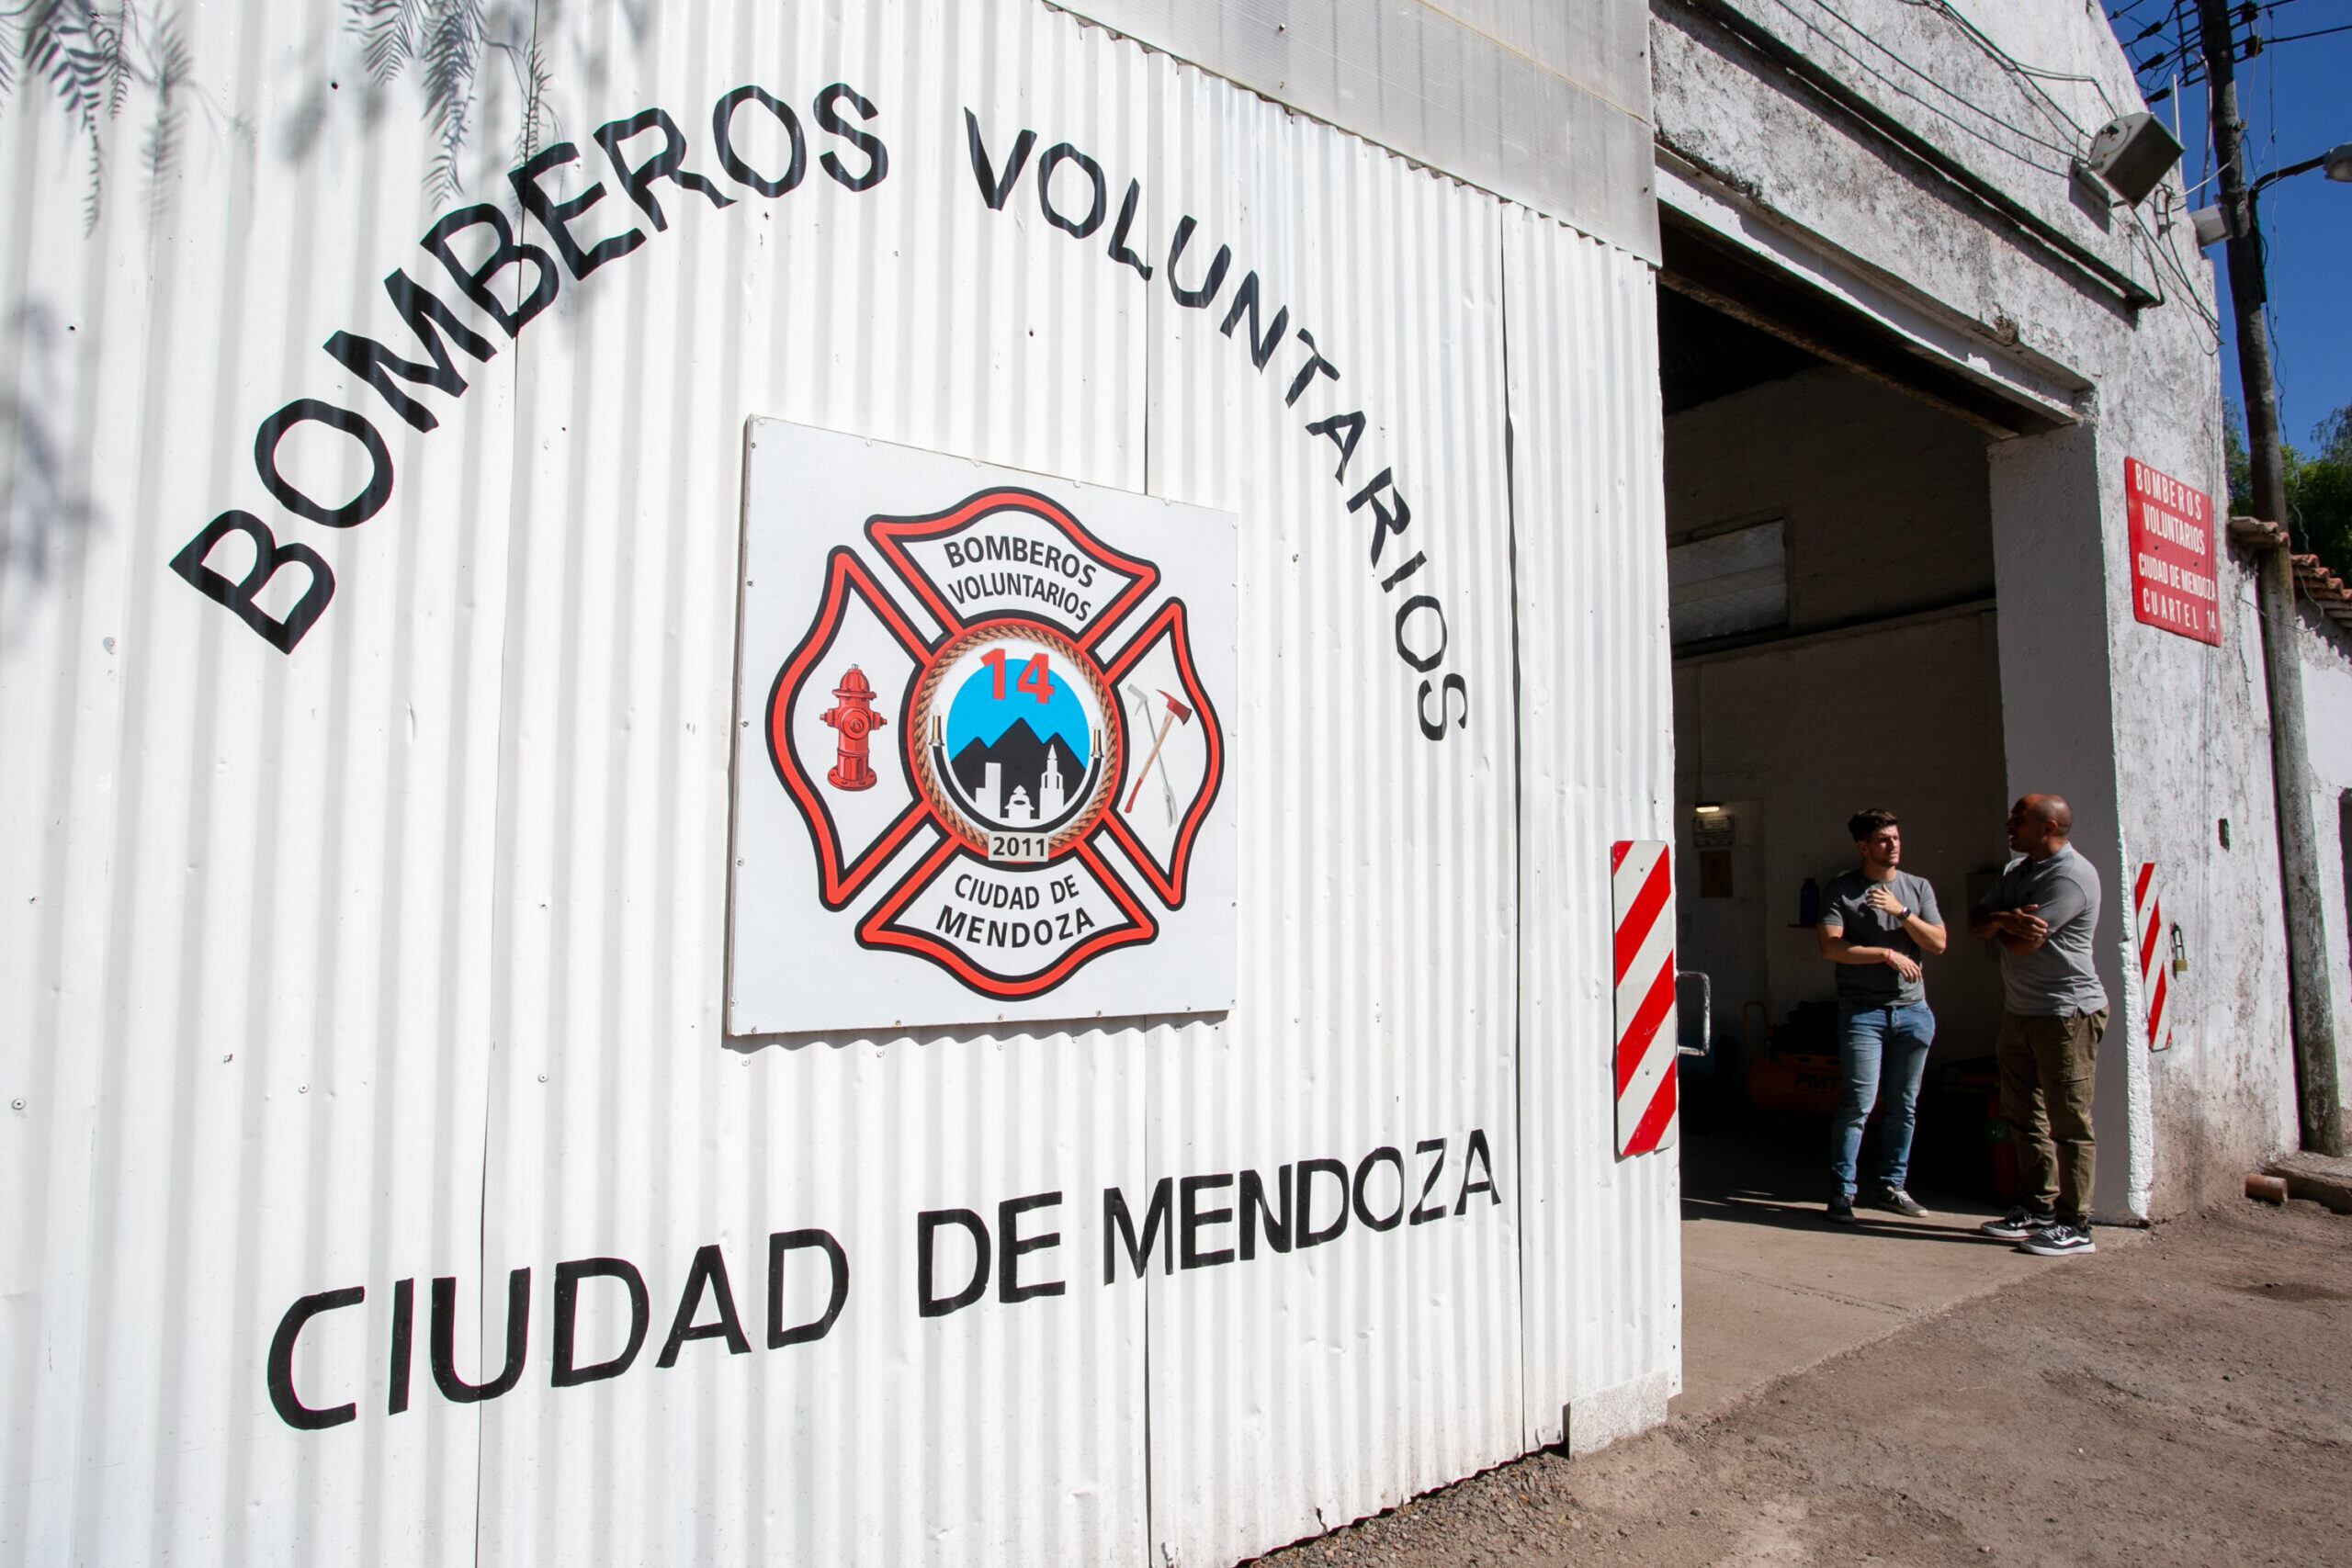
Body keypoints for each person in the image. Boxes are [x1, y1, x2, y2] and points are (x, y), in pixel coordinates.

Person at [1970, 794, 2109, 1258]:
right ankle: (2038, 1208)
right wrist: (2004, 919)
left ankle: (2077, 1224)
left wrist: (1999, 923)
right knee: (2021, 1112)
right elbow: (1976, 923)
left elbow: (2024, 944)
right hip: (2022, 1011)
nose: (2009, 823)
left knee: (2069, 1120)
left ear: (2047, 825)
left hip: (2066, 1013)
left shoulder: (2072, 875)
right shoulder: (2016, 872)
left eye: (2018, 818)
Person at [1815, 808, 1947, 1224]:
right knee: (1858, 1104)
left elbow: (1939, 943)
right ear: (1864, 847)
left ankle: (1892, 1186)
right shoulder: (1843, 889)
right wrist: (1885, 953)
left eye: (1896, 837)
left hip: (1913, 1012)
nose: (1893, 846)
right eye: (1884, 840)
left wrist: (1902, 912)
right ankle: (1842, 1193)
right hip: (1863, 1014)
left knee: (1904, 1106)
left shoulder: (1917, 887)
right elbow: (1831, 948)